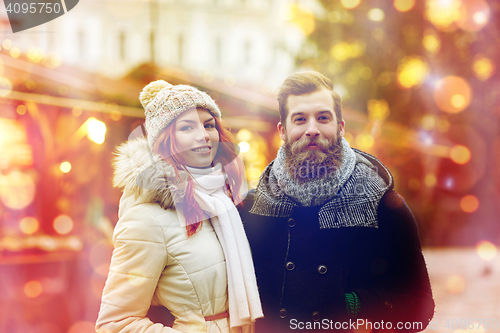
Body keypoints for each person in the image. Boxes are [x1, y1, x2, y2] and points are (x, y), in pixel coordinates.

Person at [238, 71, 435, 332]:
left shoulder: (382, 204)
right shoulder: (253, 208)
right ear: (283, 131)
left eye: (323, 118)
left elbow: (420, 307)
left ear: (340, 127)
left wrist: (351, 305)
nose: (312, 130)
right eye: (300, 119)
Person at [96, 81, 263, 333]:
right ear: (164, 142)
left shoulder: (225, 204)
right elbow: (115, 323)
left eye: (209, 125)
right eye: (187, 127)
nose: (204, 135)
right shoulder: (146, 220)